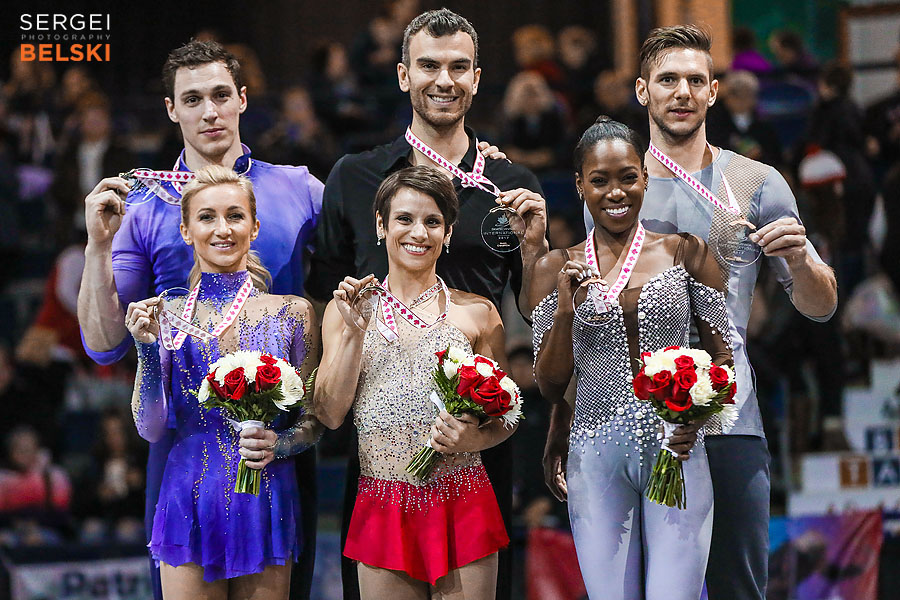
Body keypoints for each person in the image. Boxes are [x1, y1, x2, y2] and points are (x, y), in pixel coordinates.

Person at [565, 25, 837, 599]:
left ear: (714, 91)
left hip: (727, 421)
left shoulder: (757, 183)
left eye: (695, 80)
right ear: (642, 91)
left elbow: (820, 306)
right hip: (629, 422)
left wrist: (803, 265)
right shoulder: (613, 183)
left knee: (737, 591)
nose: (682, 91)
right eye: (668, 79)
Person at [307, 9, 548, 600]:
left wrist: (536, 246)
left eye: (458, 67)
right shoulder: (355, 176)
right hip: (378, 449)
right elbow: (323, 300)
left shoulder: (510, 183)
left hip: (474, 433)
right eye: (429, 65)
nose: (444, 79)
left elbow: (538, 317)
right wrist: (323, 399)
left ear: (477, 77)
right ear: (402, 75)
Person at [75, 40, 323, 599]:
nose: (209, 111)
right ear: (171, 109)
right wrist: (96, 248)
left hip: (280, 441)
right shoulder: (142, 208)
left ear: (241, 99)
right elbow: (102, 344)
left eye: (219, 95)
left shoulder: (302, 188)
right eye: (192, 99)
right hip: (185, 446)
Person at [531, 117, 731, 599]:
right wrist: (563, 308)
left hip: (676, 450)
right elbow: (551, 385)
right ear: (580, 185)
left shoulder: (688, 252)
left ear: (644, 176)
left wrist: (698, 417)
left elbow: (724, 359)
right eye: (599, 180)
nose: (615, 191)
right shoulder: (556, 266)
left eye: (626, 177)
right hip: (594, 454)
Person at [315, 165, 512, 599]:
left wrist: (473, 439)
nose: (418, 233)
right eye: (404, 219)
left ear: (449, 230)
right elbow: (329, 415)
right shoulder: (344, 312)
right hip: (381, 501)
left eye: (432, 221)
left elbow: (509, 415)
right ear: (381, 225)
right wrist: (353, 332)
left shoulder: (477, 312)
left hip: (462, 497)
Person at [124, 165, 320, 598]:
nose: (222, 229)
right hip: (187, 493)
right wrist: (145, 350)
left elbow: (312, 419)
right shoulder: (167, 315)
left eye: (235, 215)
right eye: (207, 217)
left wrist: (281, 444)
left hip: (265, 493)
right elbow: (151, 427)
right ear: (186, 229)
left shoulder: (292, 313)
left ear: (255, 226)